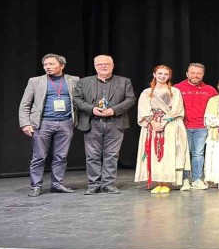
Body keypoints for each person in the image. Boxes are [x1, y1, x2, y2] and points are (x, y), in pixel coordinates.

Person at [74, 55, 136, 195]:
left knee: (111, 155)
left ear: (112, 65)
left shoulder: (124, 81)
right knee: (92, 155)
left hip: (115, 122)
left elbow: (130, 99)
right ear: (95, 66)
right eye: (99, 64)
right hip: (92, 122)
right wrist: (92, 109)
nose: (103, 66)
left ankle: (108, 184)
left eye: (106, 64)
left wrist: (114, 110)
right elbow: (77, 99)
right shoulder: (83, 82)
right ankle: (93, 184)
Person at [18, 53, 78, 197]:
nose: (47, 67)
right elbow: (25, 104)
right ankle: (36, 186)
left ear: (62, 65)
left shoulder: (74, 80)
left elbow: (80, 101)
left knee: (61, 156)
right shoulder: (35, 81)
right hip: (43, 123)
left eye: (51, 64)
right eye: (45, 64)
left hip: (66, 123)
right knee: (39, 157)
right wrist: (25, 124)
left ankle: (57, 184)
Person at [133, 65, 190, 194]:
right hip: (152, 126)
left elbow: (176, 109)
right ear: (154, 74)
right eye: (160, 73)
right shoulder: (147, 92)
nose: (162, 76)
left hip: (169, 126)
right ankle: (158, 182)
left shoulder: (174, 91)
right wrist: (153, 122)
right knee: (154, 153)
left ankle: (166, 182)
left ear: (169, 76)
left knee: (167, 153)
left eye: (165, 74)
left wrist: (164, 122)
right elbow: (143, 109)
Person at [174, 63, 218, 191]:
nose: (195, 75)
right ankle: (184, 180)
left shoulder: (209, 89)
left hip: (201, 127)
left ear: (203, 75)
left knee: (198, 154)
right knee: (183, 154)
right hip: (182, 127)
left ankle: (197, 180)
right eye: (192, 73)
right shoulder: (177, 88)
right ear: (187, 74)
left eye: (199, 73)